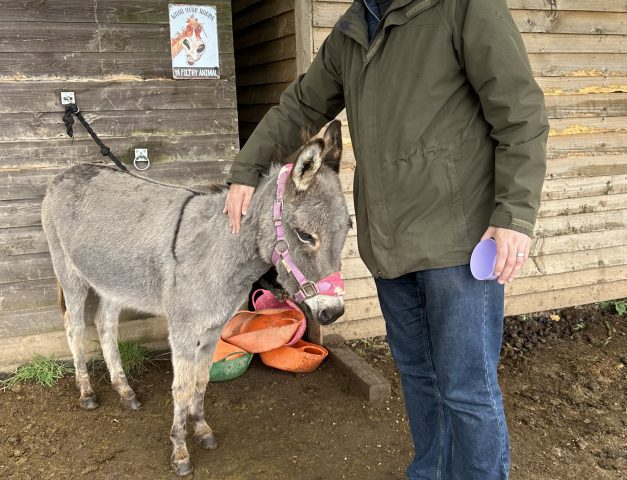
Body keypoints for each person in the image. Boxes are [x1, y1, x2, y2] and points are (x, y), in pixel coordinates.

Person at [224, 0, 548, 478]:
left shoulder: (463, 7)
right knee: (419, 379)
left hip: (457, 242)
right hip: (388, 245)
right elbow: (301, 105)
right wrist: (249, 170)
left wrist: (515, 214)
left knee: (466, 389)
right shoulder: (354, 31)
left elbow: (520, 113)